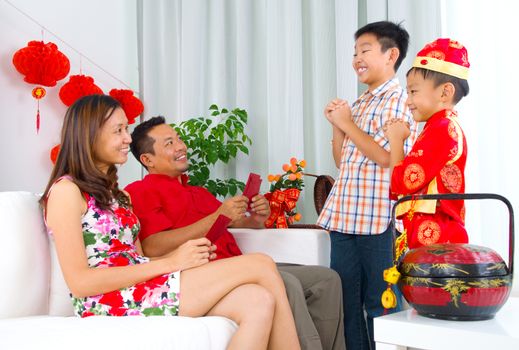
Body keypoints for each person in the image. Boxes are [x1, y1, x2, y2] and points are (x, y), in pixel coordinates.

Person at [40, 94, 300, 350]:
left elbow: (137, 258)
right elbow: (80, 282)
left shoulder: (120, 197)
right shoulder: (66, 192)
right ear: (89, 136)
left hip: (141, 287)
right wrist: (171, 263)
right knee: (261, 264)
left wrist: (183, 256)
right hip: (107, 301)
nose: (128, 139)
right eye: (118, 130)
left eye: (126, 129)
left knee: (258, 300)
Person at [125, 116, 346, 350]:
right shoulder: (140, 191)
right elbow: (152, 246)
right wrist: (217, 216)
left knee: (326, 279)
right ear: (147, 159)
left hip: (240, 265)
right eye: (169, 143)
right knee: (288, 283)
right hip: (205, 275)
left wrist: (257, 218)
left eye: (178, 139)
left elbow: (230, 223)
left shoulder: (197, 192)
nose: (180, 146)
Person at [316, 21, 418, 350]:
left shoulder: (397, 101)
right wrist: (337, 126)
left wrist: (346, 123)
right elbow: (342, 161)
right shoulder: (359, 104)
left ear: (391, 55)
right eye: (354, 52)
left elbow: (389, 159)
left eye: (365, 50)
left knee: (381, 304)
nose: (357, 58)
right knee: (347, 306)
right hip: (344, 216)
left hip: (377, 220)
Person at [384, 38, 470, 248]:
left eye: (413, 91)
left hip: (436, 237)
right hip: (432, 233)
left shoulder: (442, 129)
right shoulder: (437, 126)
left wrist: (396, 139)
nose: (407, 100)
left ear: (445, 92)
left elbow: (401, 183)